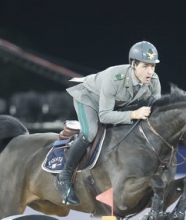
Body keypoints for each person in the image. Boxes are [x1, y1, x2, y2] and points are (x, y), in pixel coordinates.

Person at [56, 41, 162, 205]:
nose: (150, 71)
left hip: (114, 106)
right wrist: (134, 114)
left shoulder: (154, 81)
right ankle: (64, 177)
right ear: (133, 64)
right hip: (89, 99)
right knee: (90, 132)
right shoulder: (114, 78)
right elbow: (104, 116)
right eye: (145, 66)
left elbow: (155, 111)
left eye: (153, 66)